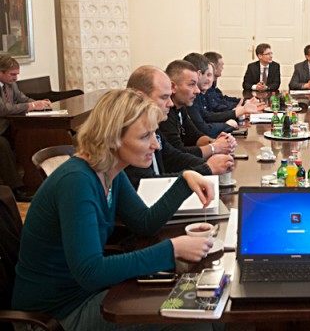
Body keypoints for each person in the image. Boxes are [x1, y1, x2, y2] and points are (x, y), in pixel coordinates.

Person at [12, 89, 218, 331]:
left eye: (154, 133)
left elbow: (145, 223)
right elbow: (91, 272)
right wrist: (172, 249)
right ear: (112, 139)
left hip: (85, 294)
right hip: (57, 314)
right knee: (192, 316)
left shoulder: (109, 170)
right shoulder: (76, 181)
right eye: (145, 136)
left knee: (204, 301)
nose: (156, 144)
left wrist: (185, 180)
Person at [125, 65, 233, 188]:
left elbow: (173, 157)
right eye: (164, 97)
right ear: (140, 98)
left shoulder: (153, 127)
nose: (170, 103)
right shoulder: (130, 132)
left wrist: (209, 164)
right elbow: (148, 184)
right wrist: (207, 167)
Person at [0, 54, 52, 202]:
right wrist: (32, 106)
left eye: (17, 74)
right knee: (2, 145)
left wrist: (40, 103)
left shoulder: (11, 85)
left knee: (30, 136)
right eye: (12, 74)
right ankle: (17, 188)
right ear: (0, 72)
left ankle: (39, 180)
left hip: (9, 126)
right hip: (2, 130)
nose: (16, 78)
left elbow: (22, 99)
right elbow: (3, 109)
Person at [160, 60, 236, 158]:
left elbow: (194, 136)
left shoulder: (180, 107)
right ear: (173, 87)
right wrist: (214, 147)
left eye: (196, 84)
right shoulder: (165, 112)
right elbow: (177, 153)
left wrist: (215, 142)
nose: (197, 90)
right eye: (191, 85)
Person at [183, 52, 237, 138]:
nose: (209, 79)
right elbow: (204, 129)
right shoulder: (188, 98)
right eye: (207, 74)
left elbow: (206, 116)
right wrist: (227, 124)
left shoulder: (195, 94)